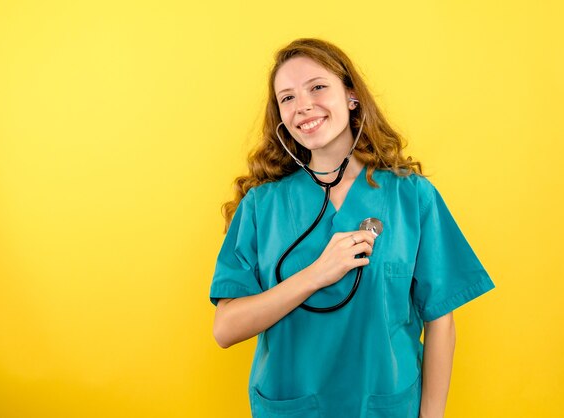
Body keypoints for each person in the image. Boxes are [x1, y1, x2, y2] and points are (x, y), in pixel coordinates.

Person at [210, 38, 494, 418]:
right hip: (293, 408)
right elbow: (225, 329)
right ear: (280, 117)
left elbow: (440, 321)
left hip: (387, 407)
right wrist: (316, 274)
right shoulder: (262, 207)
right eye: (287, 98)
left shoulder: (412, 197)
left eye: (317, 87)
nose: (303, 105)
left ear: (352, 96)